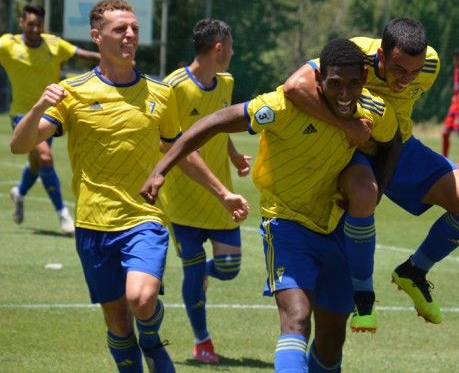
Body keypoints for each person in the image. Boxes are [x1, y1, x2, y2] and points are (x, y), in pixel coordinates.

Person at [9, 0, 248, 373]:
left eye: (134, 28)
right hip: (93, 224)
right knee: (119, 326)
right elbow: (19, 144)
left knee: (141, 298)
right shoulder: (73, 91)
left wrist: (222, 192)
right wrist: (39, 106)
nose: (130, 35)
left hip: (144, 218)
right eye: (120, 29)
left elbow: (180, 151)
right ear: (96, 36)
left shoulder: (159, 93)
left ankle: (152, 339)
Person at [140, 38, 401, 373]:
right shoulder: (281, 107)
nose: (346, 94)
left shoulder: (374, 111)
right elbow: (216, 121)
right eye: (335, 84)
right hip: (286, 223)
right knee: (296, 320)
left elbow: (393, 142)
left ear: (364, 78)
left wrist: (376, 194)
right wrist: (161, 169)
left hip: (335, 227)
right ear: (319, 79)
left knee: (332, 340)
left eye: (353, 83)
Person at [283, 18, 459, 330]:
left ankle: (414, 272)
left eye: (413, 73)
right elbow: (295, 86)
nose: (406, 80)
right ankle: (363, 294)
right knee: (364, 195)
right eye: (398, 69)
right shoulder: (356, 55)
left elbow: (403, 106)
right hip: (357, 149)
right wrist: (347, 126)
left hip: (401, 147)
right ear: (380, 56)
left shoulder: (431, 64)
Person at [160, 18, 251, 364]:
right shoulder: (174, 87)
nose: (233, 52)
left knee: (229, 267)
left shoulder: (226, 82)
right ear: (218, 48)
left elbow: (219, 126)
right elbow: (181, 146)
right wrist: (220, 190)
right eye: (231, 45)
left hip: (219, 196)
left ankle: (195, 276)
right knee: (194, 273)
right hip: (183, 200)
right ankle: (202, 342)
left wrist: (233, 156)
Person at [0, 4, 101, 235]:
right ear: (22, 23)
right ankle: (63, 214)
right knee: (45, 157)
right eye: (30, 24)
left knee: (36, 163)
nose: (35, 29)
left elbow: (82, 55)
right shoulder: (8, 43)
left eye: (39, 24)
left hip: (51, 114)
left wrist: (109, 55)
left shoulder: (54, 44)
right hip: (22, 114)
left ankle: (19, 192)